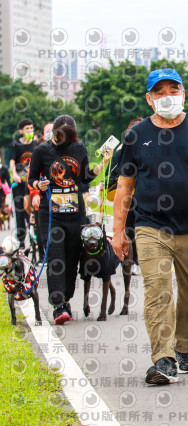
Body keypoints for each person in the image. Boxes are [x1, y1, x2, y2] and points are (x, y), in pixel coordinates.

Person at [111, 68, 188, 385]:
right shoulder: (136, 135)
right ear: (149, 99)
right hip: (151, 226)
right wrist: (118, 231)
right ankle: (163, 360)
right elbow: (124, 186)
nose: (167, 96)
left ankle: (184, 349)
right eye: (160, 92)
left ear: (183, 94)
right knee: (158, 291)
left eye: (173, 90)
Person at [28, 115, 111, 324]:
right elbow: (31, 178)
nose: (64, 140)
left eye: (69, 136)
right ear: (54, 133)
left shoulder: (78, 148)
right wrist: (39, 185)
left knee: (72, 258)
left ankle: (66, 300)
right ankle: (58, 306)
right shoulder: (41, 151)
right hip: (50, 214)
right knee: (56, 258)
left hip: (75, 213)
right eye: (60, 136)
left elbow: (84, 177)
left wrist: (102, 164)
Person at [107, 117, 143, 275]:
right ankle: (132, 261)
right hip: (129, 198)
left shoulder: (152, 149)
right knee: (130, 230)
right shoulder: (121, 152)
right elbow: (111, 175)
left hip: (149, 197)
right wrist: (108, 184)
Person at [29, 121, 55, 264]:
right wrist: (35, 194)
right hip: (42, 197)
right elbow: (32, 176)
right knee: (41, 228)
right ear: (43, 135)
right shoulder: (39, 151)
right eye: (47, 131)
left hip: (61, 201)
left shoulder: (66, 150)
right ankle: (42, 255)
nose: (50, 133)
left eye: (52, 130)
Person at [9, 118, 36, 249]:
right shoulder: (16, 145)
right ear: (21, 131)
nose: (30, 131)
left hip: (32, 184)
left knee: (32, 211)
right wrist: (14, 174)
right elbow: (12, 162)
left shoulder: (36, 145)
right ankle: (21, 242)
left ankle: (34, 239)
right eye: (27, 129)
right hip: (19, 184)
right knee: (20, 212)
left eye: (31, 128)